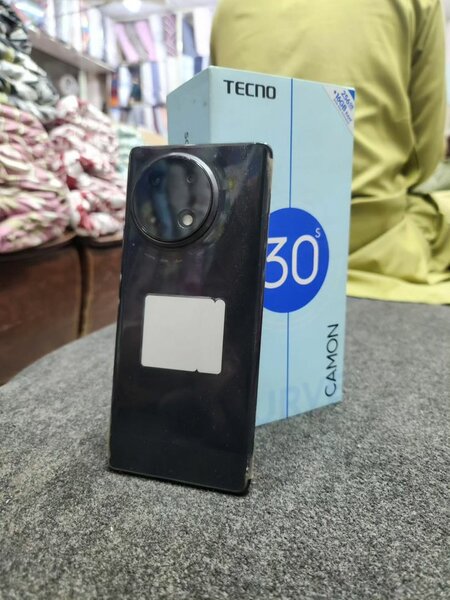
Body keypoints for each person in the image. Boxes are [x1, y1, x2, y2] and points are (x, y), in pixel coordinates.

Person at [211, 0, 450, 304]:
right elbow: (425, 158)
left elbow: (220, 133)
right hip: (373, 249)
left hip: (251, 253)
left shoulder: (227, 9)